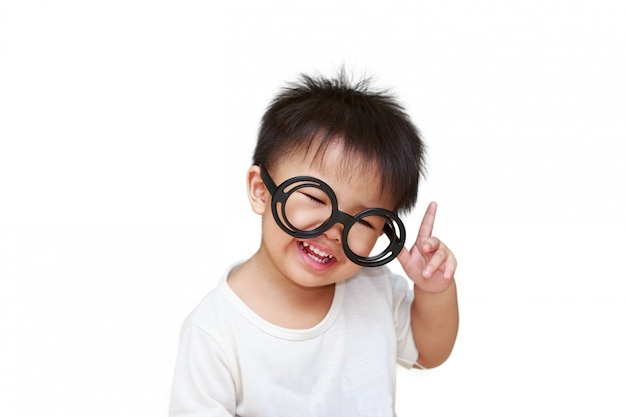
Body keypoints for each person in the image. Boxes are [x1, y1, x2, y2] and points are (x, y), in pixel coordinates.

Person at [169, 70, 459, 416]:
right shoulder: (215, 331)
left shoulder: (372, 286)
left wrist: (433, 291)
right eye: (315, 198)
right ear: (261, 191)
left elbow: (430, 352)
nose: (335, 230)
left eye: (364, 220)